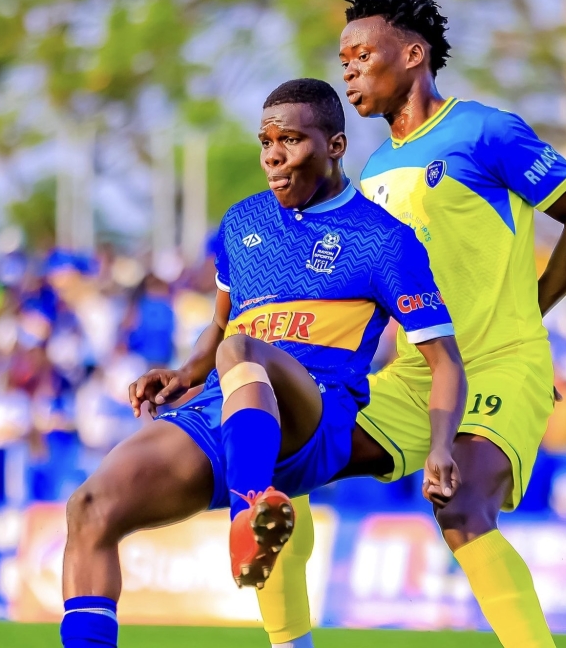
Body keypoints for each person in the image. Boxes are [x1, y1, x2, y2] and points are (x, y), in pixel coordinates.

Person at [255, 0, 566, 648]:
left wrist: (531, 311)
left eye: (362, 53)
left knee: (460, 505)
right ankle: (290, 642)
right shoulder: (371, 175)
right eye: (344, 61)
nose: (350, 69)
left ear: (414, 54)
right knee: (280, 457)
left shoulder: (484, 131)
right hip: (415, 380)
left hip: (501, 366)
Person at [59, 78, 467, 648]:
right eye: (265, 141)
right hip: (225, 404)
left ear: (335, 146)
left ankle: (248, 514)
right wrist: (186, 372)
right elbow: (223, 323)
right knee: (89, 508)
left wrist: (442, 446)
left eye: (291, 140)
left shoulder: (384, 241)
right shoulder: (242, 222)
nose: (273, 156)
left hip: (314, 415)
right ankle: (252, 514)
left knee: (243, 351)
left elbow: (445, 361)